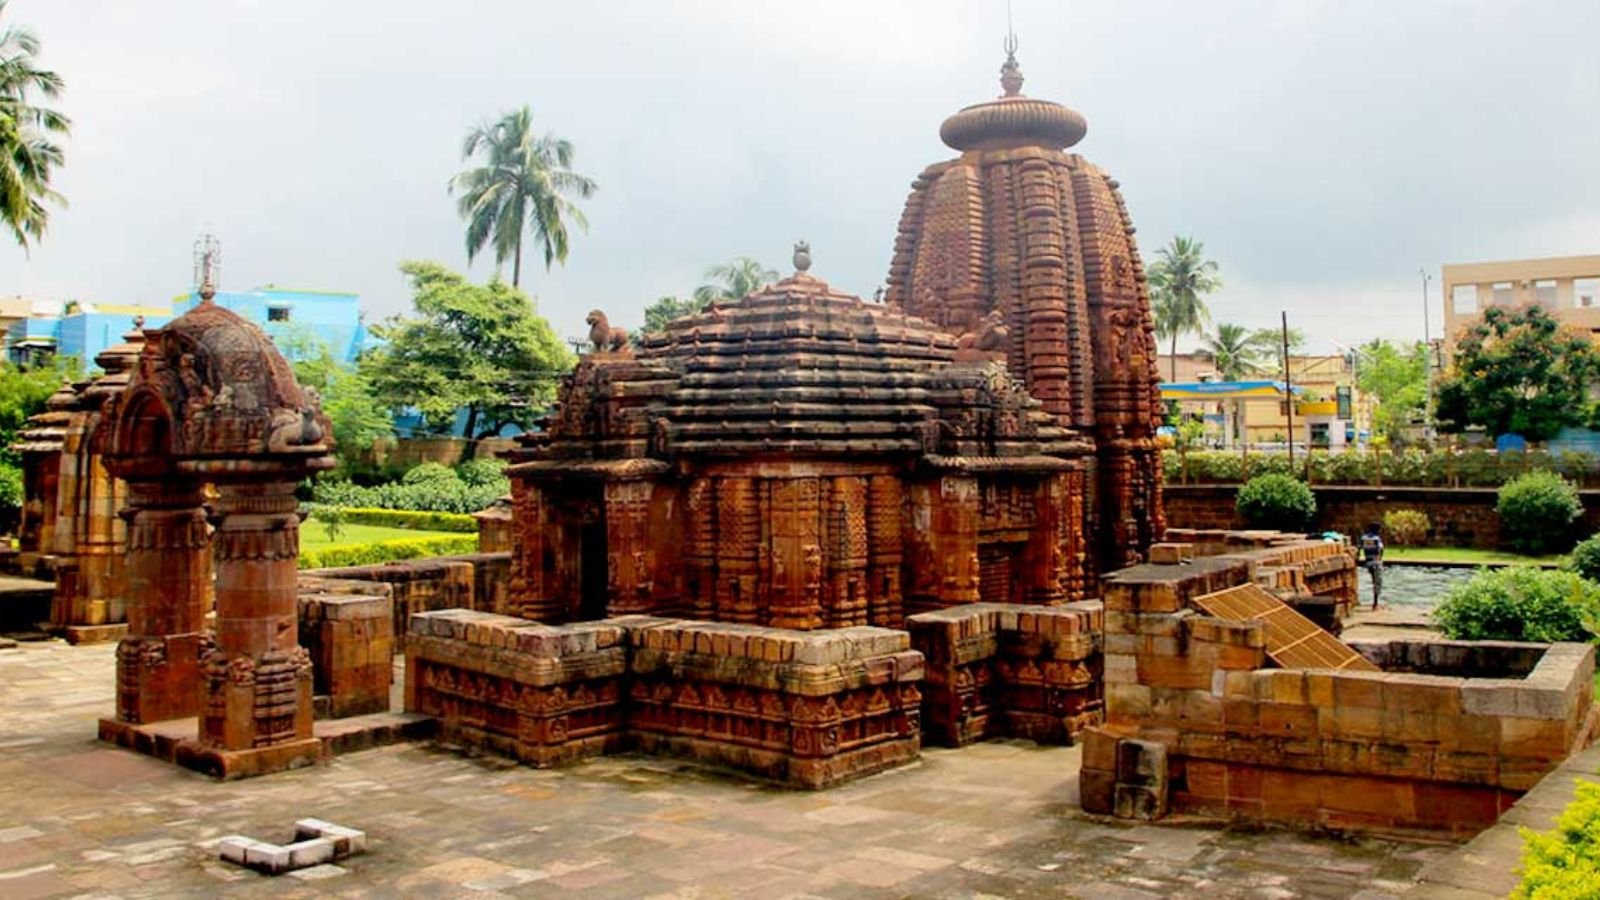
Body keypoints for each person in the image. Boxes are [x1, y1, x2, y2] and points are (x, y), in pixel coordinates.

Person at [1359, 523, 1384, 609]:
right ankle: (1375, 604)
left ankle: (1375, 604)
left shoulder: (1363, 538)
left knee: (1374, 581)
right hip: (1376, 562)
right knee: (1377, 583)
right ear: (1377, 530)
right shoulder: (1377, 538)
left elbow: (1359, 548)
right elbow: (1381, 550)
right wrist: (1380, 560)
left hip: (1368, 562)